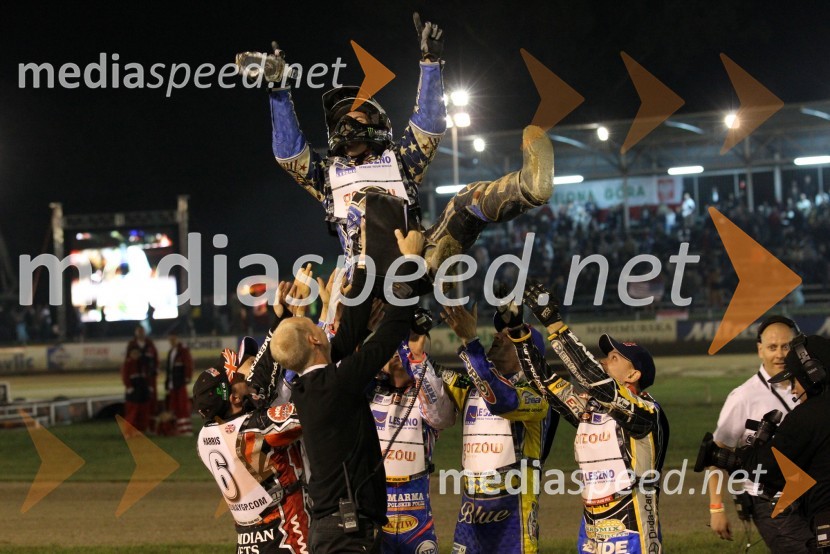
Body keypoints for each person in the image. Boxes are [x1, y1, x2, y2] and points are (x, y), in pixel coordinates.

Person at [237, 14, 553, 280]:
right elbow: (290, 154)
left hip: (411, 257)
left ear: (376, 125)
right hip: (362, 277)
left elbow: (428, 126)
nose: (349, 125)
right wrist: (279, 90)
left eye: (358, 117)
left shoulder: (399, 162)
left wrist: (431, 63)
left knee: (464, 202)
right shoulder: (328, 176)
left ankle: (527, 188)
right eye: (343, 120)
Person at [269, 230, 423, 554]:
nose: (324, 329)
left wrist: (363, 258)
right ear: (313, 341)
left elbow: (348, 332)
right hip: (346, 532)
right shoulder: (335, 383)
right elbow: (391, 333)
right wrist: (410, 263)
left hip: (332, 527)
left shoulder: (309, 386)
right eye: (316, 328)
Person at [521, 281, 669, 554]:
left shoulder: (647, 413)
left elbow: (591, 375)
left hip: (632, 530)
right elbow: (547, 385)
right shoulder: (594, 409)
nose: (603, 361)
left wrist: (554, 324)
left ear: (633, 375)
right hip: (591, 530)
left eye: (612, 357)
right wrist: (520, 336)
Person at [440, 303, 552, 554]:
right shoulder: (469, 385)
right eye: (500, 331)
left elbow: (501, 400)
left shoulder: (536, 395)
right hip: (470, 518)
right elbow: (422, 371)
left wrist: (470, 340)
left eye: (510, 334)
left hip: (514, 521)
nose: (498, 335)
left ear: (528, 354)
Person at [712, 335, 830, 553]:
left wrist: (743, 457)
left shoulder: (809, 415)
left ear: (813, 372)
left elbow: (767, 468)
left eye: (796, 380)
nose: (793, 389)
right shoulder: (744, 395)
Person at [194, 343, 310, 554]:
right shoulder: (252, 430)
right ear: (235, 398)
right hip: (285, 532)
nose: (243, 377)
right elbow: (314, 410)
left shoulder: (203, 438)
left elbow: (257, 386)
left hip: (247, 539)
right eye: (236, 378)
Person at [370, 330, 456, 554]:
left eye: (402, 347)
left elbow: (442, 417)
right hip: (374, 513)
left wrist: (418, 361)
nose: (397, 352)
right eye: (391, 347)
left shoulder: (425, 396)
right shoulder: (368, 395)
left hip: (417, 516)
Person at [126, 325, 160, 428]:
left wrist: (155, 370)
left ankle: (150, 426)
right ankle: (136, 426)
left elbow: (155, 358)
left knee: (150, 401)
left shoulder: (150, 344)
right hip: (137, 380)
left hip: (149, 378)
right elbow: (127, 364)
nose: (141, 333)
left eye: (142, 331)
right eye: (139, 331)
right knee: (136, 403)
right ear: (136, 333)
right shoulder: (132, 344)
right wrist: (129, 384)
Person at [163, 332, 194, 436]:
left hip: (180, 383)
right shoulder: (171, 352)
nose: (171, 342)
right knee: (174, 407)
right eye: (170, 340)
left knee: (182, 406)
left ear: (177, 339)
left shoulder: (183, 351)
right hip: (173, 384)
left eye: (173, 339)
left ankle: (186, 430)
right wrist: (167, 382)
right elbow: (169, 369)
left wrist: (187, 377)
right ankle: (179, 429)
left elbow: (188, 364)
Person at [122, 345, 151, 435]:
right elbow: (125, 376)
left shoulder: (142, 364)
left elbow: (147, 376)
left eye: (137, 353)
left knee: (142, 411)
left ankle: (140, 430)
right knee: (132, 411)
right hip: (134, 391)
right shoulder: (128, 364)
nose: (136, 355)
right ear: (130, 354)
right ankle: (128, 432)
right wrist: (129, 387)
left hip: (142, 390)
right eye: (134, 353)